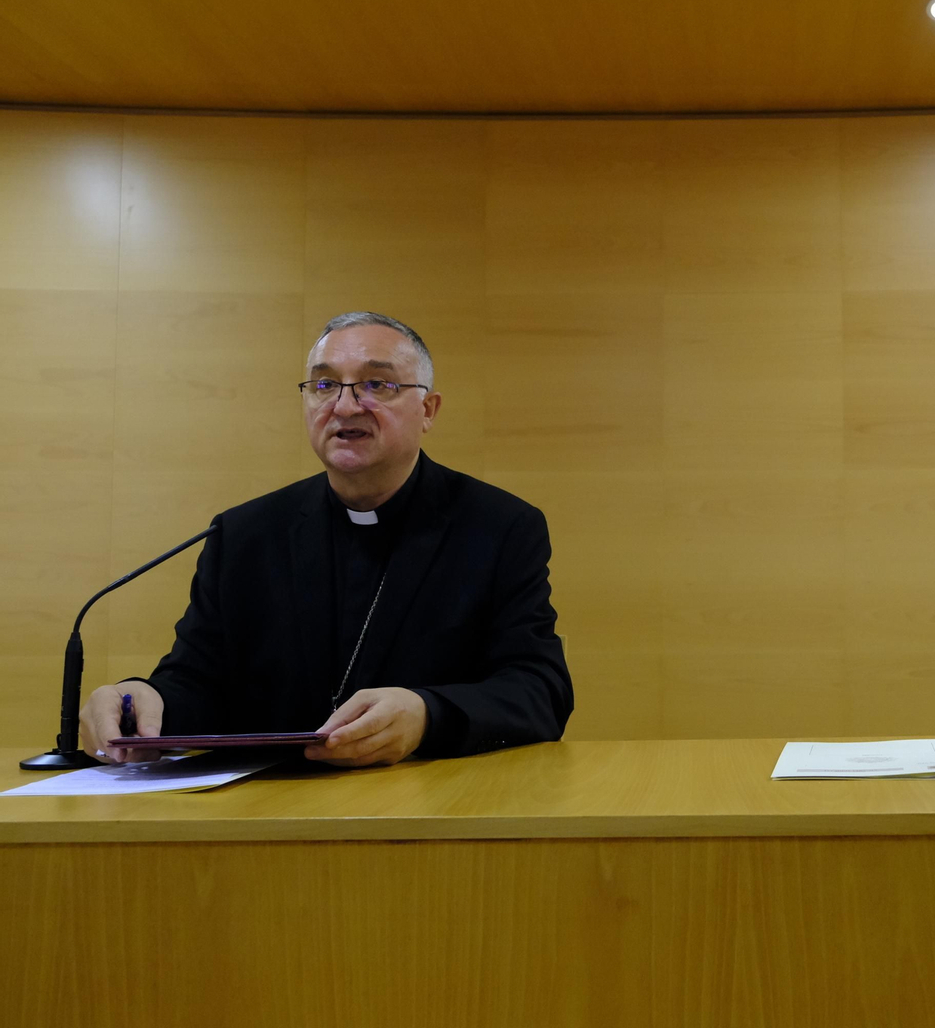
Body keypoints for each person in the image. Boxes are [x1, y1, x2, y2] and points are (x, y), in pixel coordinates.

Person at [79, 312, 573, 767]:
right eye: (323, 384)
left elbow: (539, 689)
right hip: (268, 815)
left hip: (430, 807)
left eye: (376, 384)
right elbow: (198, 682)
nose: (344, 404)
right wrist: (140, 701)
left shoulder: (499, 526)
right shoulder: (245, 534)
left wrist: (428, 714)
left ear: (428, 409)